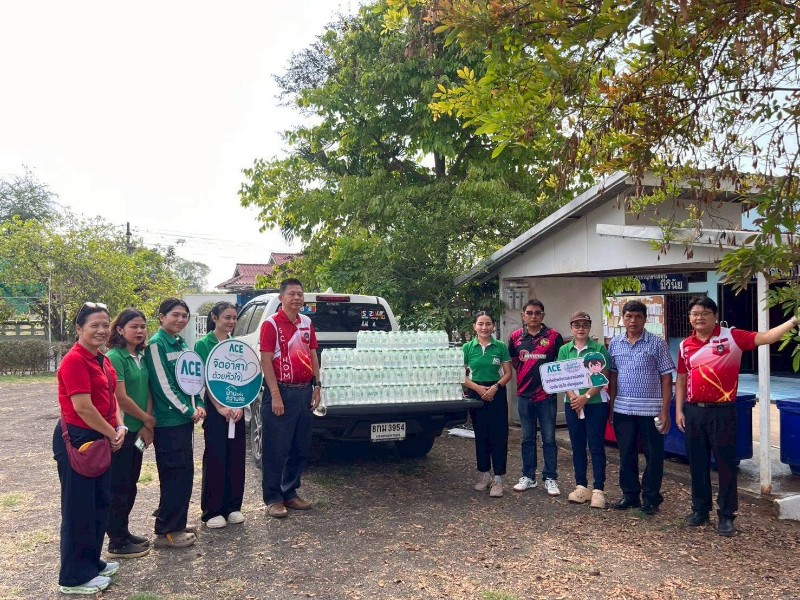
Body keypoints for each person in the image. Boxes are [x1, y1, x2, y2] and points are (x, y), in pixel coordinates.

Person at [676, 296, 799, 536]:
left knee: (725, 465)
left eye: (704, 313)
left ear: (715, 316)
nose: (699, 318)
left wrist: (794, 320)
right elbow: (681, 378)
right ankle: (700, 510)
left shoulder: (731, 337)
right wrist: (679, 410)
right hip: (693, 411)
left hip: (722, 412)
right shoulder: (685, 345)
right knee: (697, 464)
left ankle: (726, 516)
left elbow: (767, 337)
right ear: (689, 318)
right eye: (695, 314)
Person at [53, 302, 124, 595]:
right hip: (80, 437)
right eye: (94, 325)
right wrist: (111, 432)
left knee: (99, 503)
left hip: (102, 435)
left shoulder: (101, 359)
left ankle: (91, 562)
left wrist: (119, 426)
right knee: (78, 508)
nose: (101, 330)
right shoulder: (74, 361)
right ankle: (73, 577)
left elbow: (112, 396)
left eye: (105, 325)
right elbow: (83, 407)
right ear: (79, 329)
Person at [145, 298, 205, 547]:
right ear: (161, 317)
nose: (181, 319)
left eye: (184, 316)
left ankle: (177, 522)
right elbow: (163, 385)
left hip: (184, 420)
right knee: (173, 474)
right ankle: (166, 531)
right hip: (169, 422)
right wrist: (187, 410)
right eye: (175, 315)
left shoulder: (180, 342)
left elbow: (192, 379)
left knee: (184, 473)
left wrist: (198, 403)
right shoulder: (156, 344)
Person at [259, 279, 321, 518]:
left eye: (300, 294)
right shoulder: (271, 324)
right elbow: (266, 360)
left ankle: (290, 492)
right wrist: (275, 394)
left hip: (304, 391)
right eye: (291, 294)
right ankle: (273, 498)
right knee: (276, 448)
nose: (296, 298)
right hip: (281, 392)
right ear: (281, 297)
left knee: (300, 446)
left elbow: (313, 354)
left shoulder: (307, 322)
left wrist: (317, 385)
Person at [607, 300, 675, 515]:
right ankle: (630, 495)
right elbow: (613, 377)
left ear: (645, 319)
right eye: (628, 316)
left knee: (653, 456)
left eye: (637, 316)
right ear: (623, 319)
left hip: (651, 410)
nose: (633, 321)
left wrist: (665, 411)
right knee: (626, 454)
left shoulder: (657, 344)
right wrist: (611, 406)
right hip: (623, 410)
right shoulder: (615, 344)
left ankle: (651, 498)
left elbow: (666, 378)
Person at [105, 308, 155, 558]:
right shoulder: (115, 357)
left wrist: (146, 425)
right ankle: (116, 541)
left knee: (130, 484)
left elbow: (148, 390)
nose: (139, 331)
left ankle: (123, 532)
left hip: (138, 431)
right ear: (120, 329)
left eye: (142, 326)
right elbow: (120, 398)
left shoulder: (141, 356)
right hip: (122, 432)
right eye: (134, 326)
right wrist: (147, 419)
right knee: (119, 487)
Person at [195, 301, 246, 529]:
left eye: (234, 317)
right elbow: (206, 380)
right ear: (214, 318)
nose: (232, 321)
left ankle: (233, 506)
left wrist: (240, 405)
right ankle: (212, 510)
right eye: (227, 317)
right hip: (216, 409)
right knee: (216, 456)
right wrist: (218, 407)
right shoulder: (203, 344)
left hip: (236, 408)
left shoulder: (236, 344)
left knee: (236, 456)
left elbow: (244, 378)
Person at [508, 299, 564, 495]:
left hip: (547, 397)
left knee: (549, 439)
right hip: (524, 396)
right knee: (527, 438)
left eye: (537, 313)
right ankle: (528, 477)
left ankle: (550, 478)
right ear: (523, 316)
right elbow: (515, 362)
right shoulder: (515, 337)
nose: (533, 316)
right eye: (529, 313)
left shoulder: (553, 336)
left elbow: (560, 363)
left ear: (543, 315)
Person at [557, 311, 610, 509]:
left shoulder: (598, 348)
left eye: (585, 325)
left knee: (595, 445)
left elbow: (603, 377)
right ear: (571, 327)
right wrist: (574, 398)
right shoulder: (565, 350)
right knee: (577, 445)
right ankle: (581, 486)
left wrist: (585, 397)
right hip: (572, 403)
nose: (581, 328)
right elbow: (562, 377)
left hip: (595, 404)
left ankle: (598, 489)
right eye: (577, 325)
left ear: (589, 327)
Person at [462, 311, 513, 498]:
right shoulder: (467, 348)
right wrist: (478, 388)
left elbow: (508, 373)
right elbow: (461, 375)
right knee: (481, 434)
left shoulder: (500, 347)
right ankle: (485, 475)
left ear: (493, 326)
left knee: (498, 435)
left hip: (496, 392)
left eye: (488, 324)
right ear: (474, 327)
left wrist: (494, 388)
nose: (484, 327)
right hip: (475, 393)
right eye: (480, 324)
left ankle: (498, 479)